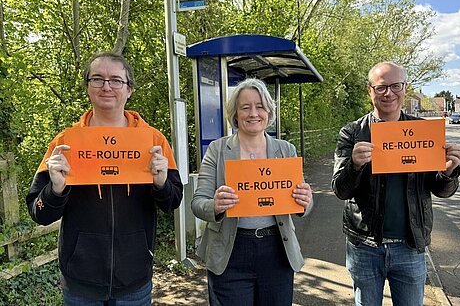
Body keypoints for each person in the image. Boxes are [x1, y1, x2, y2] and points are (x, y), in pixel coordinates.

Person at [26, 52, 183, 305]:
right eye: (97, 79)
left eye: (116, 80)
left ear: (129, 89)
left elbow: (173, 201)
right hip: (80, 282)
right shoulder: (65, 142)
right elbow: (39, 212)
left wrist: (161, 183)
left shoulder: (153, 140)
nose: (107, 86)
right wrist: (55, 190)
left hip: (135, 279)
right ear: (88, 87)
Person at [332, 61, 460, 306]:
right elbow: (340, 189)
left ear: (405, 88)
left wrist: (448, 171)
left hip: (410, 246)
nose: (389, 93)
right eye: (381, 87)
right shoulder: (352, 133)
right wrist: (355, 165)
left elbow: (442, 190)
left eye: (395, 86)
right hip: (365, 246)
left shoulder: (424, 131)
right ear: (369, 91)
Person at [191, 78, 313, 306]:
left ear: (269, 111)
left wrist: (306, 201)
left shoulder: (285, 149)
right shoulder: (218, 150)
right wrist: (215, 206)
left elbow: (302, 204)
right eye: (245, 107)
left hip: (277, 249)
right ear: (235, 114)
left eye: (260, 106)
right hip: (230, 251)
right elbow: (198, 202)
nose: (253, 113)